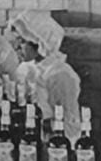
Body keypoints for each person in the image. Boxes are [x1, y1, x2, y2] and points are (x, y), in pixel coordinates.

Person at [7, 9, 82, 143]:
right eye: (16, 40)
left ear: (40, 44)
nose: (16, 47)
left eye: (22, 42)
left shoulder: (60, 74)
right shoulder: (24, 68)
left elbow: (70, 126)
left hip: (52, 143)